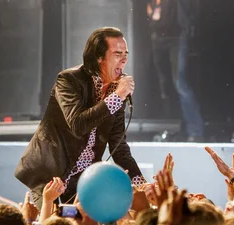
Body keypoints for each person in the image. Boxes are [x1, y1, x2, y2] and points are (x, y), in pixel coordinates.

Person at [15, 27, 146, 210]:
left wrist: (140, 184)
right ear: (99, 57)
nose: (124, 59)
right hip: (49, 173)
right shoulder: (69, 80)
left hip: (81, 179)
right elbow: (78, 124)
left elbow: (119, 148)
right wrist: (117, 96)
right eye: (117, 54)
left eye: (126, 53)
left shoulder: (116, 92)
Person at [147, 0, 204, 142]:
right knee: (164, 84)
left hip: (176, 37)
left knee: (180, 82)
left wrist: (188, 24)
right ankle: (171, 128)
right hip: (158, 36)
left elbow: (193, 8)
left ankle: (195, 130)